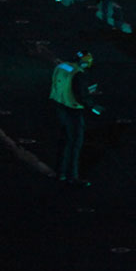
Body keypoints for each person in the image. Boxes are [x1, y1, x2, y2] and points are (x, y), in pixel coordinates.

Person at [49, 51, 100, 187]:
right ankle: (73, 176)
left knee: (64, 142)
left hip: (59, 105)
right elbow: (80, 95)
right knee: (75, 144)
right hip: (72, 109)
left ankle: (60, 173)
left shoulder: (62, 66)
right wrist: (93, 106)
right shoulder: (79, 74)